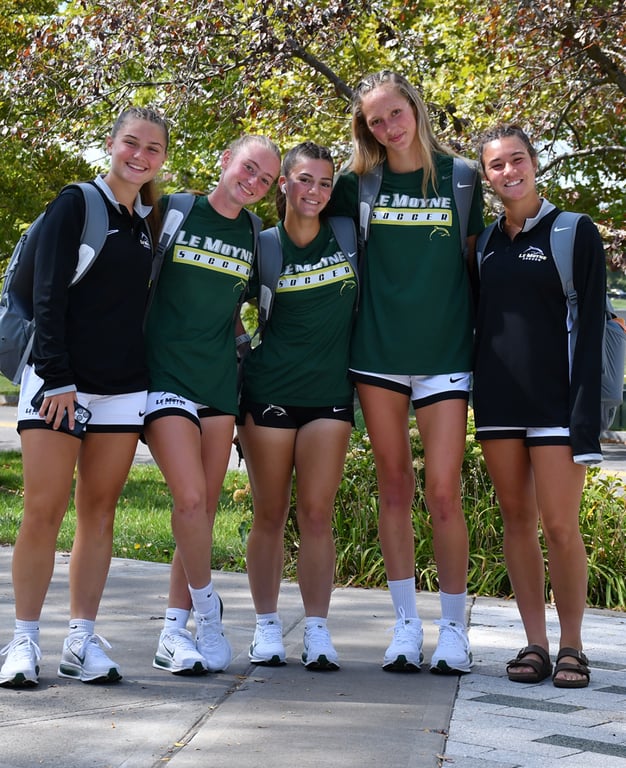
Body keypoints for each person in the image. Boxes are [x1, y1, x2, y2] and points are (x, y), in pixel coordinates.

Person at [0, 106, 169, 687]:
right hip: (58, 384)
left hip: (123, 389)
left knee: (99, 513)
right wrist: (57, 376)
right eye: (131, 143)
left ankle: (80, 640)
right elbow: (48, 295)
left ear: (161, 159)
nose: (140, 156)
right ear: (111, 144)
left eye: (152, 148)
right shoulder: (75, 203)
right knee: (43, 511)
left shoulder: (144, 222)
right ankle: (23, 641)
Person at [329, 71, 483, 674]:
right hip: (377, 355)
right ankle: (405, 626)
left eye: (395, 113)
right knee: (393, 486)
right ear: (364, 129)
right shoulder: (357, 184)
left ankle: (454, 630)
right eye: (375, 120)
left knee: (443, 492)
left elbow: (475, 265)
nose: (388, 127)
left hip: (445, 355)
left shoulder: (462, 178)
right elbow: (301, 219)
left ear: (415, 108)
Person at [473, 124, 605, 689]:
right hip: (498, 404)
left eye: (517, 159)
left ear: (534, 162)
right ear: (486, 176)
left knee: (559, 525)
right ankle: (536, 644)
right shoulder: (483, 243)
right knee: (517, 521)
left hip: (557, 404)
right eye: (497, 165)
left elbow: (592, 327)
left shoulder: (574, 231)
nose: (509, 171)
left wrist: (585, 416)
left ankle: (573, 645)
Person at [144, 135, 281, 676]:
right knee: (191, 498)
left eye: (265, 179)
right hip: (164, 375)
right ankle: (208, 612)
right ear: (226, 161)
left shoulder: (253, 233)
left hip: (220, 383)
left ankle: (172, 632)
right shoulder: (173, 211)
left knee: (202, 512)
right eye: (248, 168)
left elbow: (244, 309)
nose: (253, 182)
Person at [236, 141, 358, 670]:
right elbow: (221, 305)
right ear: (283, 183)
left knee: (316, 513)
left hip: (330, 395)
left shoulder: (348, 237)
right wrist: (241, 353)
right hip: (268, 394)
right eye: (305, 179)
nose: (315, 191)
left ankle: (316, 630)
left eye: (326, 183)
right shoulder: (262, 245)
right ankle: (266, 627)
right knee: (270, 512)